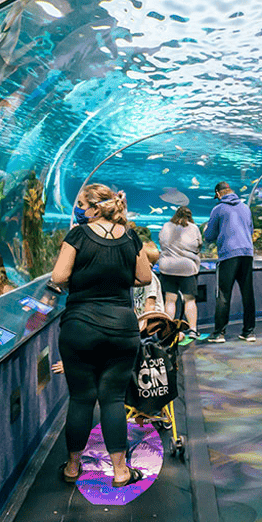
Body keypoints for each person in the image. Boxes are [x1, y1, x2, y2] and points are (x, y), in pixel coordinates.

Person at [48, 183, 154, 486]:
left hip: (80, 327)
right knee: (113, 400)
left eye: (82, 203)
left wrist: (83, 282)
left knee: (81, 399)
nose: (79, 208)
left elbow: (58, 276)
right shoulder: (131, 237)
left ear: (94, 208)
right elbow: (145, 277)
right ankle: (121, 471)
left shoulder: (78, 235)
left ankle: (72, 467)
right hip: (122, 329)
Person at [203, 181, 255, 343]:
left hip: (228, 254)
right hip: (247, 253)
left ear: (218, 194)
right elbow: (251, 230)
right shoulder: (245, 208)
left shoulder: (218, 209)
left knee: (223, 294)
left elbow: (209, 235)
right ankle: (249, 332)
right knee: (248, 293)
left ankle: (219, 333)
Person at [158, 206, 202, 337]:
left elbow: (161, 243)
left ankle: (168, 330)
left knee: (170, 300)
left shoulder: (166, 226)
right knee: (189, 300)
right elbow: (198, 245)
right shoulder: (194, 228)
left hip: (168, 268)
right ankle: (193, 329)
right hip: (187, 268)